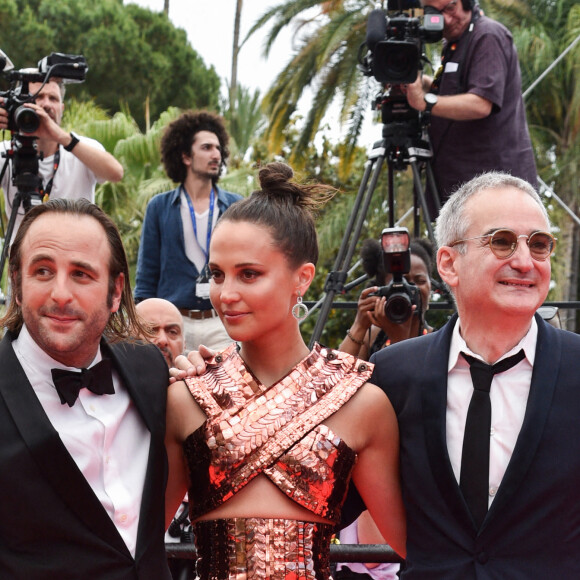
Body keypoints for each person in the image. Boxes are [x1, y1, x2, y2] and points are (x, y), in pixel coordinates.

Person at [164, 162, 406, 579]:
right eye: (217, 275)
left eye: (249, 274)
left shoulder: (362, 401)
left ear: (303, 279)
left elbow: (413, 543)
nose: (227, 294)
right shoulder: (186, 396)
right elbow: (135, 540)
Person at [369, 172, 580, 577]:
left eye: (539, 245)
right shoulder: (391, 376)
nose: (524, 261)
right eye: (502, 241)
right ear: (448, 263)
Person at [0, 198, 171, 580]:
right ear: (17, 283)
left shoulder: (150, 369)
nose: (60, 293)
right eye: (43, 271)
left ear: (115, 291)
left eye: (81, 274)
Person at [404, 0, 537, 210]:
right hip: (462, 187)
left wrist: (424, 102)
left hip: (495, 190)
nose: (446, 19)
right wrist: (421, 84)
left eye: (450, 7)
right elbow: (455, 93)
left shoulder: (487, 35)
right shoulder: (455, 42)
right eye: (434, 12)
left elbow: (480, 103)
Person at [135, 110, 243, 352]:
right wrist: (143, 325)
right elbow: (146, 277)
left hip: (221, 323)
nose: (216, 154)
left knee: (225, 388)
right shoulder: (159, 207)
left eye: (218, 148)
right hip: (173, 325)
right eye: (206, 148)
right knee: (170, 389)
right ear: (185, 156)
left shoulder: (236, 207)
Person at [0, 77, 124, 239]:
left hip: (76, 254)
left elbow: (115, 173)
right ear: (19, 105)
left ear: (62, 108)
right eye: (38, 97)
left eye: (53, 98)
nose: (46, 104)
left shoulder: (81, 147)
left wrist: (62, 138)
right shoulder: (6, 150)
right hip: (25, 259)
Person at [339, 237, 434, 359]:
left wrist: (398, 338)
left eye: (419, 281)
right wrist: (359, 325)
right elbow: (337, 375)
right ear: (381, 289)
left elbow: (412, 377)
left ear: (430, 286)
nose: (408, 290)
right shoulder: (372, 337)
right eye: (398, 283)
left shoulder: (439, 343)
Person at [136, 297, 185, 366]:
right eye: (149, 331)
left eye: (172, 332)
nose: (162, 340)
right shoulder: (116, 375)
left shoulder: (199, 374)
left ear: (184, 344)